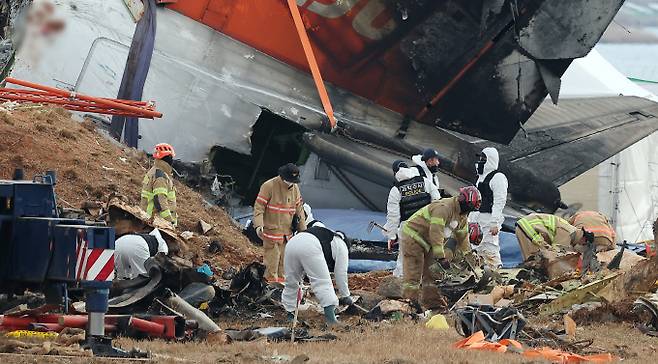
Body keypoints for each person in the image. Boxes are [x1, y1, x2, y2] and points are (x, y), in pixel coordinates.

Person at [400, 186, 482, 309]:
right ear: (463, 201)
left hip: (428, 241)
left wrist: (468, 256)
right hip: (413, 236)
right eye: (468, 208)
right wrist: (440, 256)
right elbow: (436, 232)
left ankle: (432, 303)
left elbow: (463, 237)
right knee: (414, 273)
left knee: (433, 273)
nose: (468, 212)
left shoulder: (462, 215)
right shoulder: (444, 208)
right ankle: (409, 304)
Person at [282, 225, 351, 326]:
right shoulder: (342, 245)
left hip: (292, 243)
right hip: (310, 245)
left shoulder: (328, 235)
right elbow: (341, 273)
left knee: (292, 281)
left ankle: (290, 316)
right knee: (322, 282)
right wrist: (345, 295)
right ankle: (331, 320)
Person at [383, 160, 441, 277]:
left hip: (408, 227)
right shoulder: (424, 181)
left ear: (395, 173)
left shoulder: (396, 190)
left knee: (405, 258)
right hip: (427, 225)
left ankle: (400, 283)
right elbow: (437, 200)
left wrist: (392, 235)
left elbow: (393, 217)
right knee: (428, 254)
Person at [253, 163, 307, 283]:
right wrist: (258, 225)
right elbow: (259, 207)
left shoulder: (295, 189)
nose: (290, 183)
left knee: (284, 263)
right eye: (289, 180)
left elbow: (299, 209)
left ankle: (282, 286)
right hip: (271, 233)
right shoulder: (269, 186)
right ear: (282, 177)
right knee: (272, 263)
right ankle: (270, 285)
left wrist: (303, 230)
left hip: (287, 235)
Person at [470, 147, 508, 270]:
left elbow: (500, 201)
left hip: (489, 218)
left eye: (483, 159)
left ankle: (496, 273)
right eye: (480, 158)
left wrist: (494, 222)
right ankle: (481, 275)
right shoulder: (481, 177)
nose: (480, 161)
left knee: (490, 248)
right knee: (476, 249)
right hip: (477, 218)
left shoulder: (498, 177)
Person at [515, 213, 593, 260]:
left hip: (525, 226)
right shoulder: (568, 232)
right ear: (583, 239)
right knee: (536, 259)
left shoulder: (570, 230)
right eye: (583, 245)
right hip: (528, 228)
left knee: (537, 257)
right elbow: (557, 252)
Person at [140, 143, 177, 227]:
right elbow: (160, 202)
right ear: (167, 158)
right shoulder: (161, 177)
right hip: (156, 223)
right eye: (171, 157)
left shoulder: (155, 171)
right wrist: (170, 222)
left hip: (149, 219)